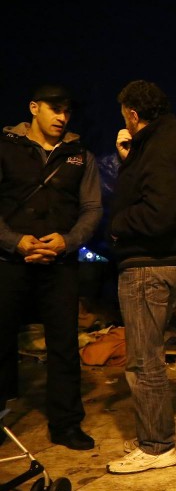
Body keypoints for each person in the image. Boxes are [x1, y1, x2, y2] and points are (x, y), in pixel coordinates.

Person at [106, 80, 176, 475]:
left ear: (132, 114)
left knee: (143, 361)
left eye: (124, 115)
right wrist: (129, 158)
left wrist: (117, 225)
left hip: (148, 265)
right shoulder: (167, 144)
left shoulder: (161, 148)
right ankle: (153, 435)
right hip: (160, 263)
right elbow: (151, 193)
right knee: (147, 357)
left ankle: (156, 446)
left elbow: (157, 213)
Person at [0, 85, 102, 450]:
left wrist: (68, 241)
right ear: (34, 108)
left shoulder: (80, 155)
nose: (62, 117)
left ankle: (66, 424)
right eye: (54, 109)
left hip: (60, 264)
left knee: (64, 344)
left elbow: (92, 208)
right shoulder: (5, 147)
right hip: (9, 261)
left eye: (67, 110)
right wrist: (15, 241)